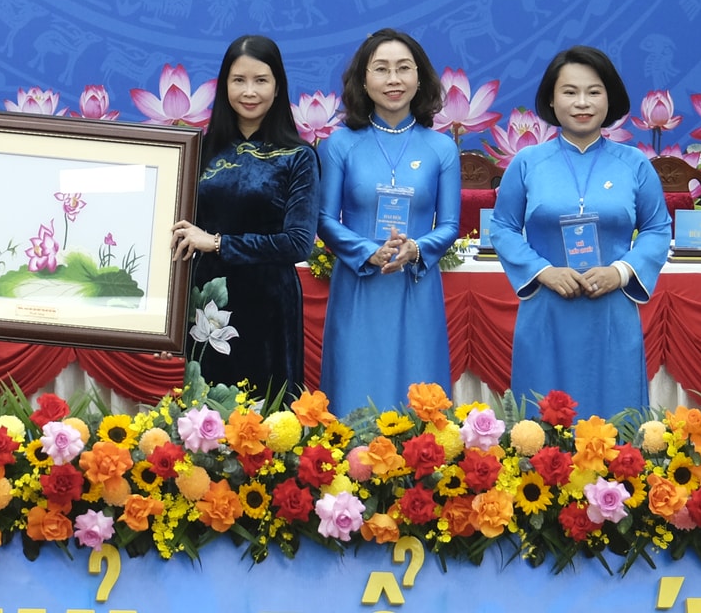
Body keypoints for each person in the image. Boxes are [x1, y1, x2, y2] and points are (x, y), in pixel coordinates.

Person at [484, 45, 672, 417]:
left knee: (615, 423)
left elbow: (657, 228)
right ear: (551, 100)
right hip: (546, 308)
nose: (582, 102)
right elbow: (503, 227)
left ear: (610, 98)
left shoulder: (634, 164)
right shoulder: (528, 162)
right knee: (543, 424)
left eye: (593, 91)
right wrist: (543, 272)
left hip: (612, 311)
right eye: (569, 92)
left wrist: (620, 272)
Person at [317, 29, 461, 414]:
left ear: (420, 77)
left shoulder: (442, 147)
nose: (393, 79)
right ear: (363, 80)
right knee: (355, 391)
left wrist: (416, 248)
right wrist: (368, 251)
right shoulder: (340, 144)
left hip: (416, 284)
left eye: (403, 68)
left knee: (418, 397)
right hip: (359, 284)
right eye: (381, 69)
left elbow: (450, 225)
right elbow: (325, 219)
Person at [171, 35, 319, 400]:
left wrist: (217, 243)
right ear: (224, 86)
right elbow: (176, 233)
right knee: (204, 415)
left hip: (268, 304)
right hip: (207, 302)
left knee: (266, 417)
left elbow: (298, 243)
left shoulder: (298, 156)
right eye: (239, 80)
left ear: (278, 86)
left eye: (261, 80)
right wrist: (165, 320)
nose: (249, 91)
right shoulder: (198, 150)